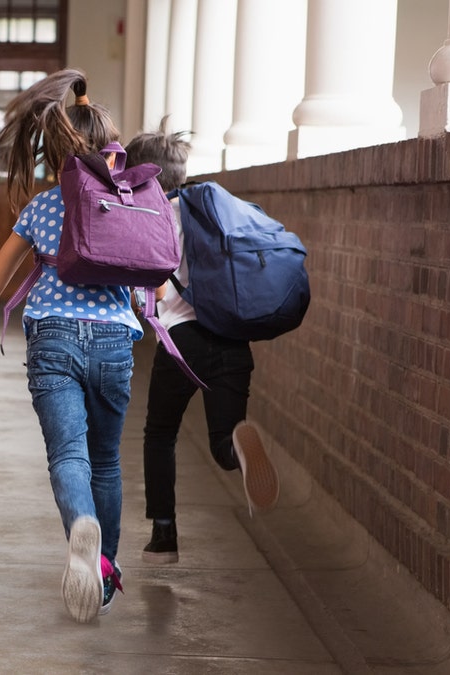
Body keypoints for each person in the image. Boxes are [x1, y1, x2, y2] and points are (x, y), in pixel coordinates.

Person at [0, 69, 134, 623]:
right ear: (111, 148)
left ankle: (80, 527)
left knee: (68, 454)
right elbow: (157, 280)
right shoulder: (132, 201)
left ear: (55, 153)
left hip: (53, 341)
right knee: (107, 460)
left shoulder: (43, 209)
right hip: (116, 340)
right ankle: (106, 567)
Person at [124, 122, 280, 564]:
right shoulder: (211, 212)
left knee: (160, 432)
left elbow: (150, 294)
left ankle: (164, 534)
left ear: (141, 178)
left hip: (181, 344)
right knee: (220, 440)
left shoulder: (150, 221)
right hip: (232, 340)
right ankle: (238, 453)